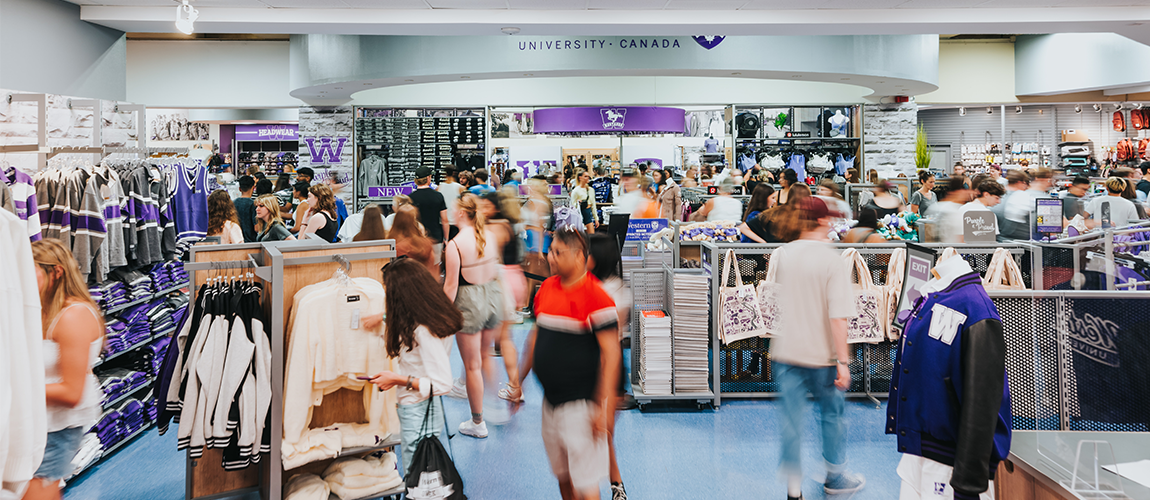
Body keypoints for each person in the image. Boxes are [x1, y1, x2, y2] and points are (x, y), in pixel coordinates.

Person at [518, 228, 620, 500]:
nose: (550, 257)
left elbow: (611, 356)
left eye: (557, 252)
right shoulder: (547, 289)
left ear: (577, 256)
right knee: (562, 475)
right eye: (551, 251)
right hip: (549, 403)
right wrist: (518, 380)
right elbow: (535, 336)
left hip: (581, 406)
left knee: (585, 483)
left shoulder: (597, 297)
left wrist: (603, 408)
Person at [772, 197, 864, 500]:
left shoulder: (784, 254)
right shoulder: (830, 259)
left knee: (791, 421)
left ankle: (793, 489)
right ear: (823, 221)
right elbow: (837, 317)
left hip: (787, 349)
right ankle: (835, 477)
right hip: (822, 354)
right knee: (832, 416)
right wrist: (843, 361)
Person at [24, 239, 104, 500]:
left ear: (55, 272)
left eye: (30, 270)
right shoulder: (41, 310)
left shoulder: (73, 316)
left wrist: (17, 389)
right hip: (37, 424)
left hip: (57, 429)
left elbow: (72, 393)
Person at [365, 258, 461, 473]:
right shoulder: (430, 315)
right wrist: (382, 317)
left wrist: (397, 379)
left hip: (418, 409)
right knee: (424, 472)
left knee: (416, 477)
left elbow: (443, 384)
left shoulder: (423, 330)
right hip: (424, 408)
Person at [444, 194, 503, 439]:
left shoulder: (455, 245)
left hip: (469, 302)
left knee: (472, 367)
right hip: (491, 297)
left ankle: (478, 422)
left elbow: (450, 286)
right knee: (482, 359)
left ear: (460, 213)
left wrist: (439, 315)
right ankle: (493, 406)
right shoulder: (489, 235)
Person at [586, 232, 633, 500]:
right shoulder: (617, 286)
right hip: (611, 367)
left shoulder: (603, 291)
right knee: (603, 434)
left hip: (602, 366)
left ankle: (611, 485)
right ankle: (616, 484)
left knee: (601, 432)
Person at [477, 191, 526, 407]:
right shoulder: (506, 224)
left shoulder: (492, 228)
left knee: (487, 341)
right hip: (512, 278)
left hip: (500, 281)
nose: (482, 210)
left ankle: (491, 397)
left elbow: (488, 258)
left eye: (485, 206)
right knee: (501, 339)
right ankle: (514, 387)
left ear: (495, 207)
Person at [410, 166, 449, 263]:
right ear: (428, 178)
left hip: (417, 239)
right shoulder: (438, 196)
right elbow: (445, 220)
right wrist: (446, 238)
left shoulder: (411, 198)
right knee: (434, 266)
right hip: (435, 237)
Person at [1004, 168, 1053, 240]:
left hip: (1015, 240)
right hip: (1032, 241)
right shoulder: (1044, 199)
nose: (1051, 183)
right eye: (1050, 180)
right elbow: (1048, 229)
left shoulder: (1019, 195)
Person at [390, 206, 438, 276]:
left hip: (400, 284)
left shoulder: (392, 245)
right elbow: (433, 269)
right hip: (424, 282)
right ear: (415, 221)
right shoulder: (426, 243)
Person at [925, 177, 971, 243]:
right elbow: (961, 239)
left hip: (936, 250)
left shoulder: (935, 207)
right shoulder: (959, 212)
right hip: (953, 250)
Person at [439, 168, 465, 239]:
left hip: (442, 221)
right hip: (456, 221)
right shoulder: (461, 188)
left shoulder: (439, 188)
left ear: (445, 174)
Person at [233, 175, 259, 242]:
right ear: (253, 188)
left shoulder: (233, 203)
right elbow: (257, 228)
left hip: (236, 240)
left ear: (239, 189)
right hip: (250, 242)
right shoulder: (253, 204)